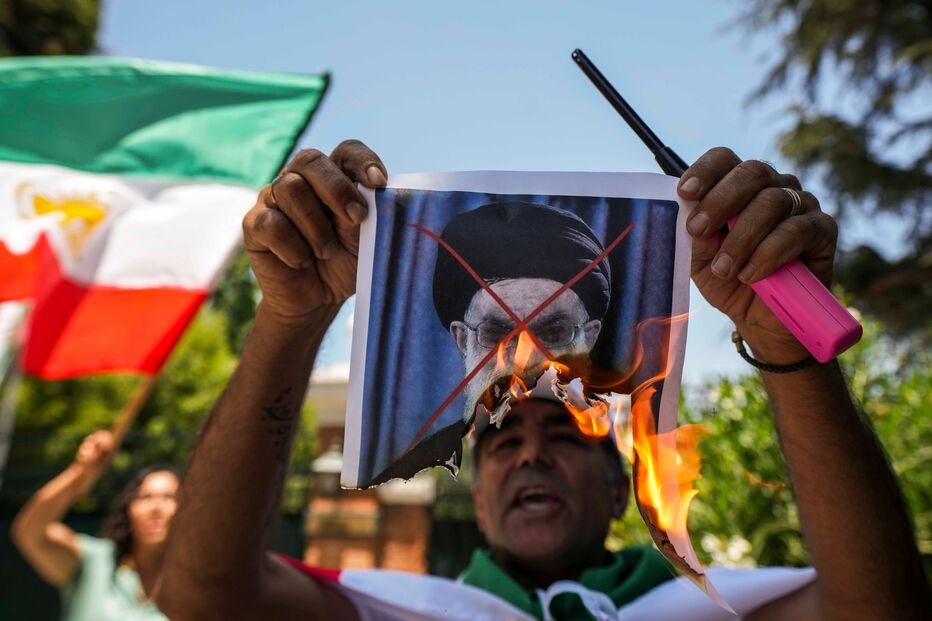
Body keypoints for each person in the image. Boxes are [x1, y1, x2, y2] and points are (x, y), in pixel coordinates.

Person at [156, 142, 931, 620]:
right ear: (476, 491)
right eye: (499, 438)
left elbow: (882, 608)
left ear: (623, 485)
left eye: (564, 430)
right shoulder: (401, 609)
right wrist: (288, 322)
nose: (529, 451)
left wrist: (789, 349)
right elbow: (202, 599)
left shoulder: (711, 609)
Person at [12, 429, 178, 621]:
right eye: (145, 497)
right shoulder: (96, 560)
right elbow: (30, 533)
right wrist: (80, 473)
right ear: (128, 509)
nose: (156, 507)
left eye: (169, 497)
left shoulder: (195, 587)